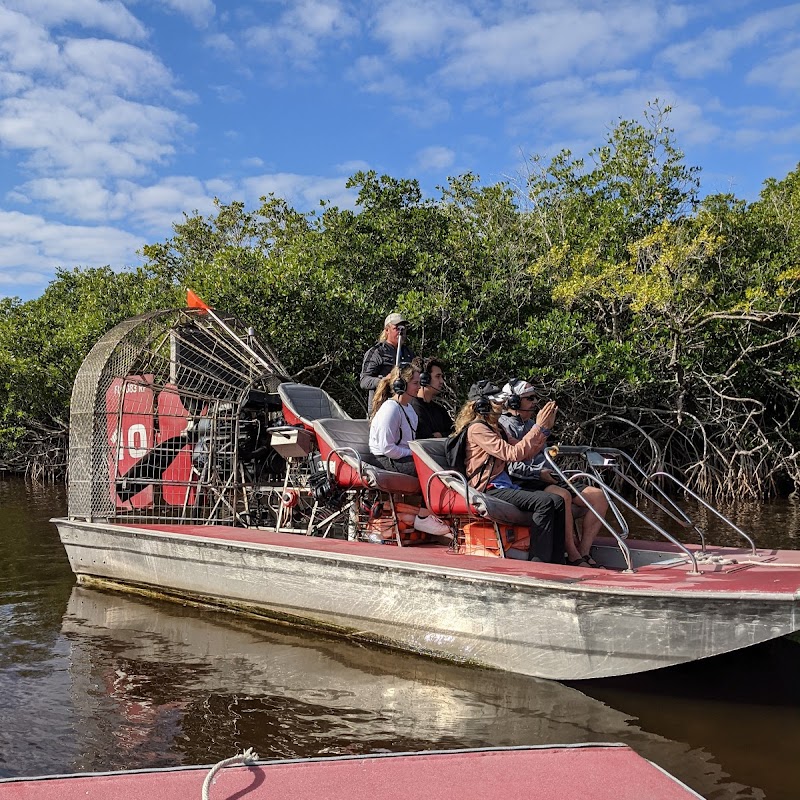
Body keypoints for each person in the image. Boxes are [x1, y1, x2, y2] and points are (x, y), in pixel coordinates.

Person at [454, 381, 586, 566]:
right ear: (484, 406)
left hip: (504, 485)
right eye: (497, 402)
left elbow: (525, 451)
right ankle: (538, 561)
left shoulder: (496, 428)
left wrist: (544, 429)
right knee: (545, 502)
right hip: (488, 487)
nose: (501, 406)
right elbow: (512, 454)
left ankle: (558, 560)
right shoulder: (478, 429)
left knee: (557, 501)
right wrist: (538, 427)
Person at [498, 379, 609, 568]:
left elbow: (545, 455)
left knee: (598, 496)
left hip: (544, 476)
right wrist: (539, 473)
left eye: (535, 398)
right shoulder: (504, 426)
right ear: (514, 402)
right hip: (524, 480)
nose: (534, 402)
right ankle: (573, 556)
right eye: (529, 398)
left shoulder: (533, 423)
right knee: (563, 496)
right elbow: (511, 465)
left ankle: (584, 551)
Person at [369, 363, 451, 538]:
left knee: (439, 464)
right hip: (385, 458)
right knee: (428, 470)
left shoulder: (408, 408)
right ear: (401, 385)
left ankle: (435, 514)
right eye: (415, 383)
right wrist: (414, 454)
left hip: (399, 454)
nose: (419, 386)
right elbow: (386, 447)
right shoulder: (390, 409)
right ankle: (423, 516)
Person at [360, 312, 415, 410]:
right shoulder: (377, 352)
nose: (400, 332)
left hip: (404, 407)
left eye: (403, 329)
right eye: (397, 329)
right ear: (387, 330)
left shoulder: (409, 353)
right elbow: (364, 381)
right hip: (381, 408)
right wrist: (385, 380)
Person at [410, 357, 454, 439]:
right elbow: (425, 437)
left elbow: (454, 432)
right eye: (437, 376)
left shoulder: (440, 409)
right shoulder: (413, 408)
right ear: (424, 379)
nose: (442, 381)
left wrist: (440, 435)